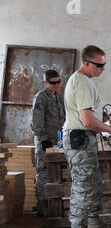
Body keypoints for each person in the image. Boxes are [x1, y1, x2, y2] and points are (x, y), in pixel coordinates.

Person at [63, 45, 111, 228]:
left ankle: (94, 223)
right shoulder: (82, 82)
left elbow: (87, 115)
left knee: (94, 182)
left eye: (104, 65)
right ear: (87, 63)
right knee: (83, 185)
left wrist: (100, 118)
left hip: (85, 139)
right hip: (79, 138)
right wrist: (109, 129)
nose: (102, 69)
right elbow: (87, 121)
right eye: (99, 65)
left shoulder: (84, 81)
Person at [30, 70, 66, 217]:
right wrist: (43, 138)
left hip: (58, 140)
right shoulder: (41, 97)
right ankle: (43, 205)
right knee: (43, 172)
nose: (56, 85)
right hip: (44, 141)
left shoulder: (59, 97)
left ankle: (56, 204)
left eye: (58, 82)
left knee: (57, 171)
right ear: (46, 82)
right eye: (53, 83)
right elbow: (36, 121)